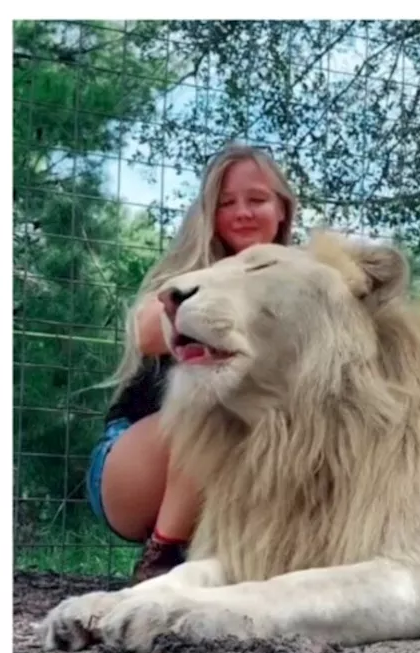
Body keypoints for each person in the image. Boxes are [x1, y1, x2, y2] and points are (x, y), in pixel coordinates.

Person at [87, 144, 300, 585]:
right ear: (209, 214)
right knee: (215, 392)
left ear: (282, 209)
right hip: (136, 463)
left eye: (256, 199)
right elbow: (147, 334)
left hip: (234, 479)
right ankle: (162, 555)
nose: (242, 212)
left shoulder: (306, 288)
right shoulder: (189, 273)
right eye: (226, 203)